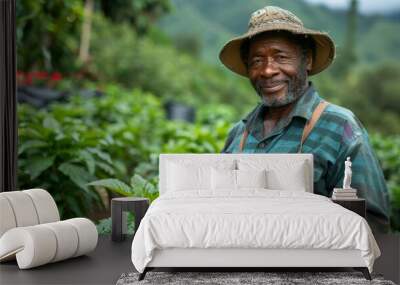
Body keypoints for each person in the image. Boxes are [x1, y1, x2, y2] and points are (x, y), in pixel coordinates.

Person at [219, 6, 390, 232]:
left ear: (306, 60)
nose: (268, 70)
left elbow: (372, 224)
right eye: (257, 61)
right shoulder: (238, 134)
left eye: (280, 57)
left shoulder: (341, 127)